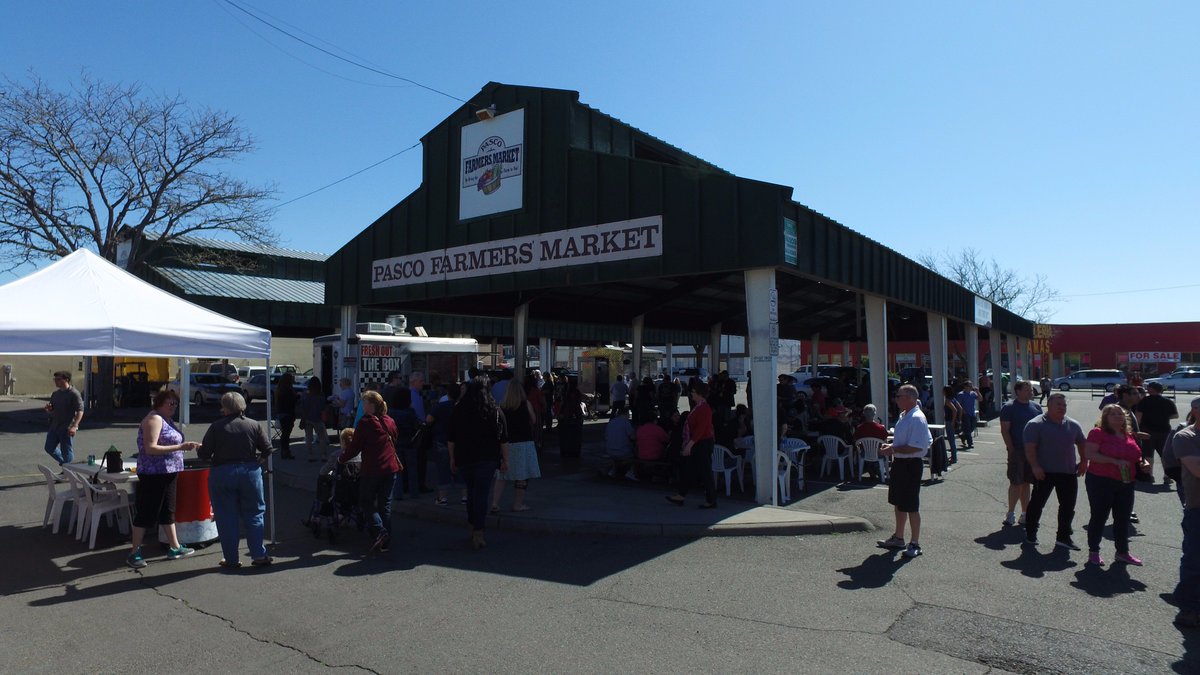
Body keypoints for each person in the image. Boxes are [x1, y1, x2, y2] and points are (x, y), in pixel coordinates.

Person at [126, 390, 200, 569]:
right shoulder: (154, 419)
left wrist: (183, 447)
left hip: (169, 472)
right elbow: (150, 448)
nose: (173, 407)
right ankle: (134, 552)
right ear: (159, 403)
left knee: (168, 510)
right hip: (154, 473)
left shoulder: (166, 419)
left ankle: (174, 547)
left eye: (175, 403)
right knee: (146, 512)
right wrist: (181, 446)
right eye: (170, 403)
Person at [199, 391, 273, 568]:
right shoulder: (253, 425)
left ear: (225, 408)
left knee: (226, 517)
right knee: (255, 513)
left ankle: (231, 559)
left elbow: (204, 454)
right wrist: (259, 461)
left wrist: (201, 449)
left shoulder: (216, 427)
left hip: (223, 473)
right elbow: (267, 449)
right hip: (249, 471)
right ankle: (258, 555)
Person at [1083, 405, 1150, 566]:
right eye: (1113, 414)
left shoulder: (1129, 435)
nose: (1117, 417)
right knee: (1099, 517)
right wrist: (1114, 461)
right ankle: (1094, 552)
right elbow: (1090, 454)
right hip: (1101, 480)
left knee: (1123, 518)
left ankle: (1122, 552)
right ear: (1105, 417)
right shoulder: (1098, 433)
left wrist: (1143, 463)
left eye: (1120, 414)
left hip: (1126, 482)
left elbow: (1137, 456)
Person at [448, 379, 510, 549]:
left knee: (471, 491)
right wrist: (506, 460)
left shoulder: (458, 409)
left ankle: (471, 524)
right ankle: (479, 531)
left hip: (465, 457)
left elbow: (451, 439)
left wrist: (452, 458)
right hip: (487, 458)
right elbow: (503, 439)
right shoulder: (494, 411)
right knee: (481, 494)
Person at [1022, 392, 1087, 550]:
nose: (1062, 408)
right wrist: (1035, 466)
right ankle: (1031, 533)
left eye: (1064, 405)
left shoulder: (1073, 424)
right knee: (1037, 504)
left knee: (1067, 506)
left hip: (1068, 472)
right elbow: (1029, 449)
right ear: (1048, 405)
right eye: (1058, 404)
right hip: (1044, 472)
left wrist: (1084, 461)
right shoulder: (1035, 424)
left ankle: (1063, 537)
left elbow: (1082, 443)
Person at [338, 390, 400, 554]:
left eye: (364, 402)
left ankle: (380, 531)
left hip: (373, 469)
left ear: (371, 405)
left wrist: (341, 459)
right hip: (391, 468)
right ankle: (385, 540)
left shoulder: (366, 423)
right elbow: (395, 439)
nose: (362, 406)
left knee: (366, 501)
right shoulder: (389, 420)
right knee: (384, 504)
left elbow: (354, 447)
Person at [876, 384, 932, 558]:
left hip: (911, 465)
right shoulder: (904, 415)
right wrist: (893, 446)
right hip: (900, 464)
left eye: (899, 396)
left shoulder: (917, 418)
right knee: (899, 502)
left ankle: (915, 543)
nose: (896, 399)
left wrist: (893, 449)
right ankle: (898, 537)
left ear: (909, 398)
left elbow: (917, 446)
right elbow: (904, 442)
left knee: (911, 505)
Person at [1169, 397, 1200, 629]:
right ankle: (1188, 608)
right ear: (1195, 411)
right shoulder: (1185, 437)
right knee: (1194, 559)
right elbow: (1197, 470)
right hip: (1197, 508)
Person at [665, 381, 717, 509]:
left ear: (699, 394)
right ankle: (681, 495)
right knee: (687, 468)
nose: (691, 394)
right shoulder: (699, 406)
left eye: (693, 392)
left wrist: (689, 445)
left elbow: (700, 429)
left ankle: (711, 500)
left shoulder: (704, 408)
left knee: (705, 472)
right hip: (698, 442)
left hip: (702, 443)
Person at [492, 379, 540, 512]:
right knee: (522, 476)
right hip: (524, 442)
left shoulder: (501, 406)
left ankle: (495, 503)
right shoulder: (526, 404)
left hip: (507, 444)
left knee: (502, 475)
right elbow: (534, 420)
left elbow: (497, 426)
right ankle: (517, 504)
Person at [999, 381, 1042, 526]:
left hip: (1033, 452)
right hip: (1017, 450)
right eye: (1027, 389)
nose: (1031, 391)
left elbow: (1041, 429)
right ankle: (1010, 513)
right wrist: (1011, 449)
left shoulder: (1036, 407)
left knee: (1027, 483)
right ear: (1017, 391)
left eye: (1031, 389)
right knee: (1016, 483)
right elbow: (1005, 430)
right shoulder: (1009, 407)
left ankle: (1025, 514)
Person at [429, 383, 466, 507]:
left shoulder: (441, 406)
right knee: (461, 467)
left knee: (443, 468)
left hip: (442, 439)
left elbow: (429, 419)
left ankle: (442, 497)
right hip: (460, 440)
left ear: (448, 394)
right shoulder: (463, 407)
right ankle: (465, 496)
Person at [1135, 381, 1178, 484]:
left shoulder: (1144, 401)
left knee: (1148, 454)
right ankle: (1167, 476)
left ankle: (1150, 475)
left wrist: (1137, 429)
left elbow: (1138, 417)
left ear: (1151, 390)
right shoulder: (1168, 401)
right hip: (1164, 430)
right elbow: (1175, 415)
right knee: (1164, 454)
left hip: (1147, 430)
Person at [44, 371, 83, 469]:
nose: (56, 381)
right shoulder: (56, 394)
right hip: (54, 426)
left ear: (66, 380)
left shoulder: (74, 393)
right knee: (49, 447)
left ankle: (68, 470)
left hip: (67, 427)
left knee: (66, 450)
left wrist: (74, 426)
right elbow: (51, 408)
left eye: (58, 379)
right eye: (55, 379)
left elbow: (80, 411)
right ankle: (67, 466)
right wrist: (49, 409)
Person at [387, 387, 420, 501]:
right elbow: (416, 425)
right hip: (409, 442)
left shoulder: (391, 412)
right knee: (412, 469)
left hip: (396, 443)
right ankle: (414, 492)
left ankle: (398, 494)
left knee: (397, 470)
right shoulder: (410, 411)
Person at [298, 377, 331, 461]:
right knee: (322, 437)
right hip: (318, 418)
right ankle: (323, 455)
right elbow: (323, 407)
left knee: (308, 438)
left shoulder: (305, 395)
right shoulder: (321, 395)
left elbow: (301, 407)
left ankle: (310, 455)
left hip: (307, 418)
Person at [605, 407, 638, 481]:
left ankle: (613, 470)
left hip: (610, 451)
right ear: (626, 413)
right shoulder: (626, 423)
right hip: (623, 451)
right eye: (629, 414)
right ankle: (630, 472)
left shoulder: (611, 422)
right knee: (635, 453)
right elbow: (633, 437)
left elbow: (606, 437)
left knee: (615, 455)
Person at [275, 372, 298, 460]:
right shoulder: (288, 390)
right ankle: (286, 451)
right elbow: (291, 402)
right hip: (288, 414)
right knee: (286, 435)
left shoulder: (280, 389)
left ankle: (284, 451)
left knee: (284, 434)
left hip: (281, 414)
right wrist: (298, 397)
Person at [954, 381, 980, 449]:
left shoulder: (973, 393)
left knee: (972, 427)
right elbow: (958, 404)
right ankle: (970, 443)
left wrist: (978, 391)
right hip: (965, 414)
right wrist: (962, 411)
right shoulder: (961, 394)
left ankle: (964, 436)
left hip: (972, 413)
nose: (971, 387)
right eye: (970, 386)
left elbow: (980, 399)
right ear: (965, 387)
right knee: (968, 429)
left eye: (971, 385)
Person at [942, 386, 962, 465]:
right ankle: (954, 456)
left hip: (949, 421)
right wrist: (959, 419)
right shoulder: (953, 399)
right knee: (952, 440)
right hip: (953, 420)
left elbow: (955, 410)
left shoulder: (947, 400)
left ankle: (954, 458)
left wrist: (953, 421)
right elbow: (960, 408)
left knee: (951, 440)